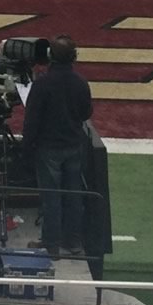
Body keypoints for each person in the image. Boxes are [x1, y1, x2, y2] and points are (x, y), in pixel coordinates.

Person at [21, 36, 92, 259]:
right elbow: (86, 113)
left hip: (49, 148)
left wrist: (26, 146)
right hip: (73, 145)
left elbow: (32, 119)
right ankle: (73, 241)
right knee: (73, 195)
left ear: (50, 56)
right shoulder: (80, 83)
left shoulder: (43, 83)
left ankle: (51, 244)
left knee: (51, 197)